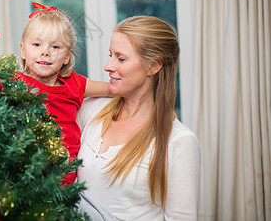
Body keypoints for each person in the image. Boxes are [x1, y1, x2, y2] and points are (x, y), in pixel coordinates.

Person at [0, 2, 111, 184]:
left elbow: (113, 89)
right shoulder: (14, 82)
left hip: (64, 180)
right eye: (37, 44)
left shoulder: (75, 83)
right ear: (23, 50)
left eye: (55, 47)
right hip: (25, 178)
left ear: (67, 56)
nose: (45, 52)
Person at [76, 16, 200, 220]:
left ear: (153, 66)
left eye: (121, 58)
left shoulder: (179, 141)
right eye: (110, 55)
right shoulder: (92, 110)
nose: (108, 66)